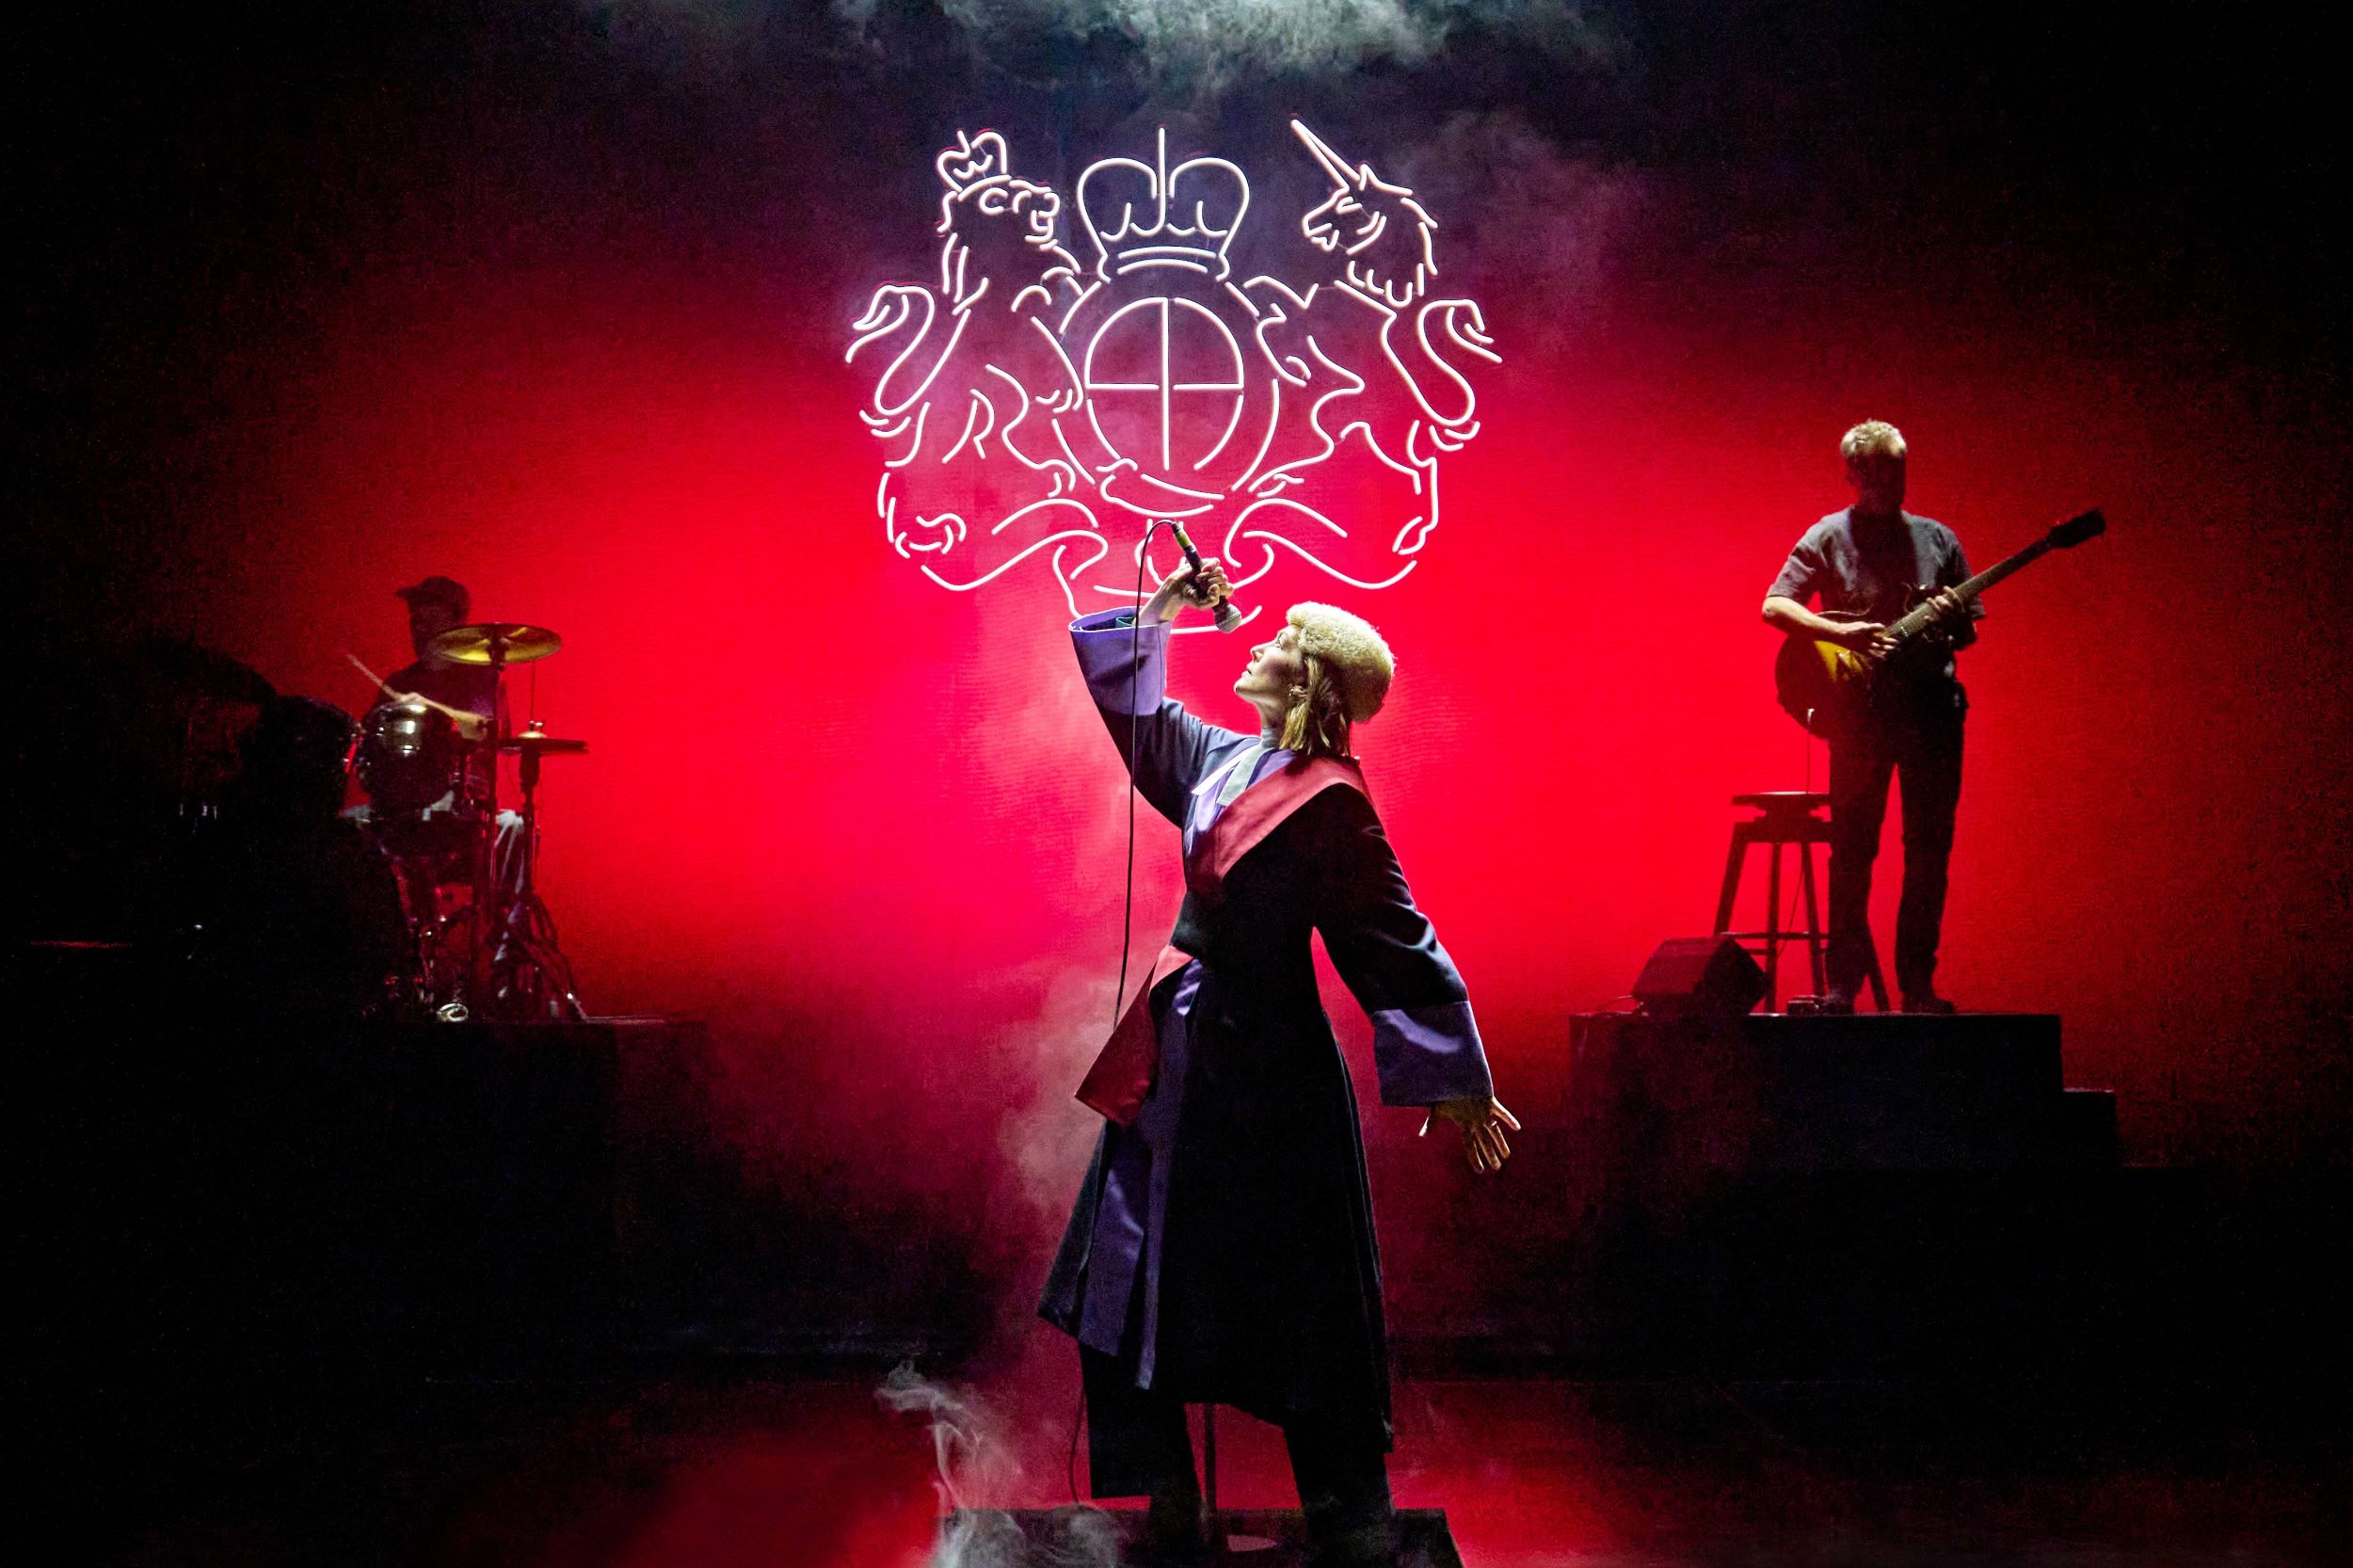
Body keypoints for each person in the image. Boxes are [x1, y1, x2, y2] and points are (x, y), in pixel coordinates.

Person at [1038, 560, 1518, 1566]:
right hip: (1177, 1057)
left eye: (1282, 642)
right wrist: (1162, 609)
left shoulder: (1332, 801)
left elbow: (1392, 938)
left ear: (1309, 683)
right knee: (1122, 1270)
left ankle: (1351, 1517)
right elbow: (1136, 713)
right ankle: (1169, 1494)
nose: (1257, 641)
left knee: (1300, 1292)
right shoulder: (1220, 757)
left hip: (1270, 1076)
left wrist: (1455, 1077)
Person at [1762, 421, 1980, 1013]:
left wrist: (1948, 619)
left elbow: (1968, 632)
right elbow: (1775, 605)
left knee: (1929, 850)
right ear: (1854, 475)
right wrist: (1840, 633)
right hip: (1861, 718)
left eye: (1898, 468)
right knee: (1853, 851)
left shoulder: (1939, 539)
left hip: (1933, 715)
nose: (1889, 480)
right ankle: (1842, 985)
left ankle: (1918, 986)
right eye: (1877, 470)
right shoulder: (1828, 535)